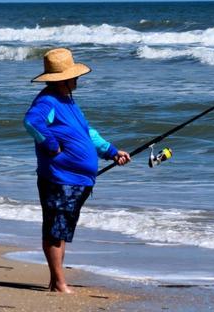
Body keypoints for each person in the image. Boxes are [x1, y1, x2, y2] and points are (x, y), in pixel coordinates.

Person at [23, 48, 130, 293]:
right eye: (74, 76)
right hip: (59, 178)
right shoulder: (48, 100)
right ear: (63, 78)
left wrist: (111, 151)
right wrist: (52, 145)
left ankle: (55, 281)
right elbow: (31, 122)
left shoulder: (68, 101)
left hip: (76, 180)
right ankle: (60, 283)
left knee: (61, 230)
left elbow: (87, 133)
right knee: (54, 230)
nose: (77, 79)